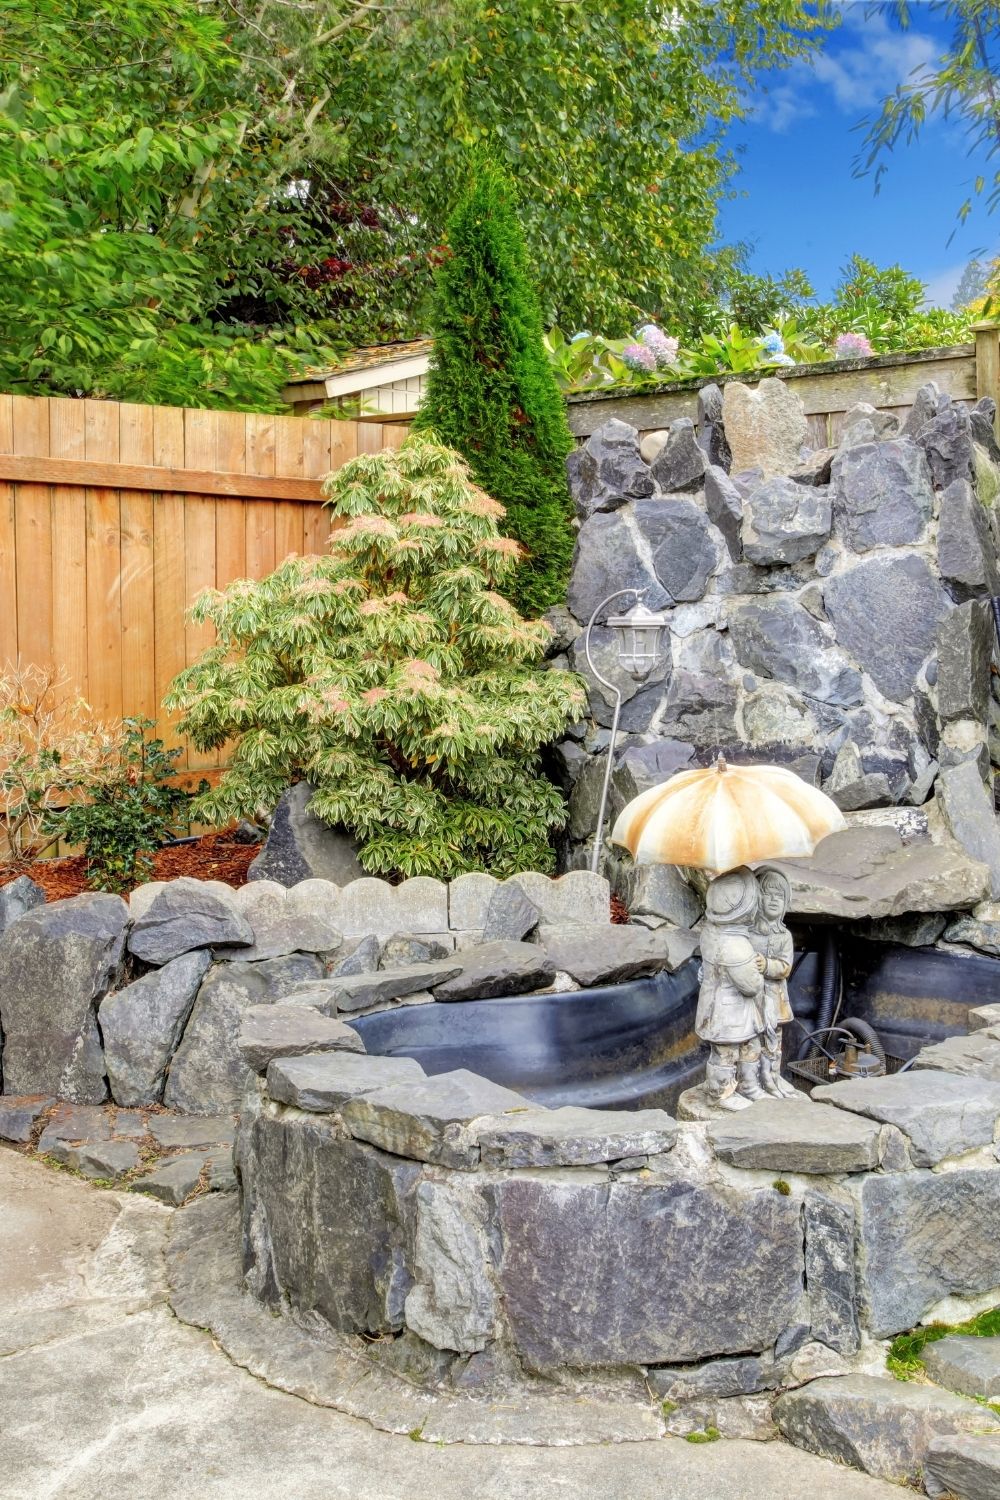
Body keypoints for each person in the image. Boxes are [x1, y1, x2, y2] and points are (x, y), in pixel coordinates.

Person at [695, 866, 767, 1111]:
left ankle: (748, 1085)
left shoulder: (711, 933)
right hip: (729, 1014)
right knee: (725, 1055)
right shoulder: (735, 945)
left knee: (750, 1047)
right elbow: (751, 985)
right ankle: (720, 1093)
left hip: (726, 1009)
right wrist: (758, 970)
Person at [751, 867, 797, 1099]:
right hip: (752, 997)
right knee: (752, 1038)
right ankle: (752, 1081)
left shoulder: (784, 936)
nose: (773, 900)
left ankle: (773, 1077)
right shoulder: (748, 933)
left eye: (779, 896)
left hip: (775, 996)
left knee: (774, 1039)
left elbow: (785, 967)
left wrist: (767, 965)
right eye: (768, 894)